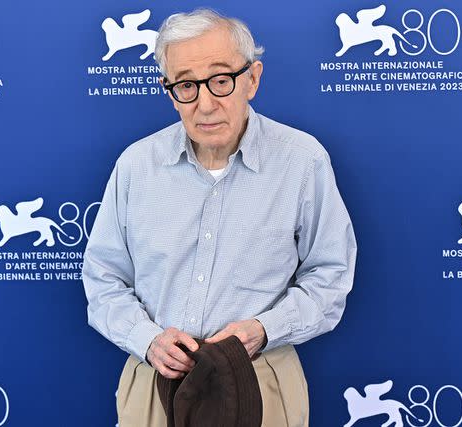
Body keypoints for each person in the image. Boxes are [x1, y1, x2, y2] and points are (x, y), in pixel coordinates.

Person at [82, 8, 357, 427]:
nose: (205, 104)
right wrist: (147, 339)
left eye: (221, 80)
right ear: (168, 90)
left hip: (260, 380)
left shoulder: (303, 161)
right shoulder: (136, 166)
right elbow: (103, 278)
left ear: (253, 78)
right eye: (186, 85)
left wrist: (264, 330)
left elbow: (331, 276)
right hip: (154, 382)